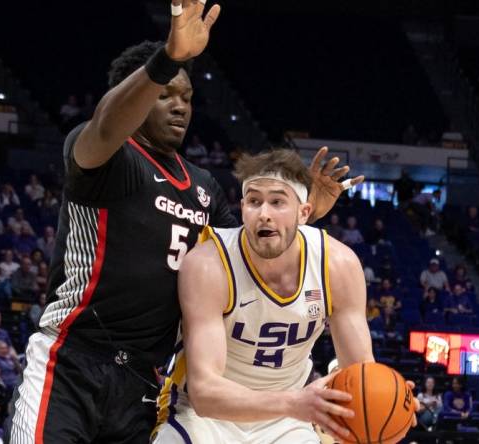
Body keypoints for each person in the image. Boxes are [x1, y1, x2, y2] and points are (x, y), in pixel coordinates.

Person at [7, 3, 361, 441]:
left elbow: (250, 248)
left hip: (143, 379)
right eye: (165, 94)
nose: (180, 107)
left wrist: (308, 212)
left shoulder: (204, 186)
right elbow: (106, 125)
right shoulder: (106, 156)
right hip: (72, 360)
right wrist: (168, 59)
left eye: (187, 98)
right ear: (135, 93)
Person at [152, 149, 409, 443]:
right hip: (205, 418)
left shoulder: (338, 265)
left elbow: (360, 370)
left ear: (304, 212)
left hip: (287, 422)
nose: (263, 213)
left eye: (277, 202)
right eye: (254, 201)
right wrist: (294, 402)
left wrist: (389, 399)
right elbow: (205, 394)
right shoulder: (209, 264)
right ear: (242, 207)